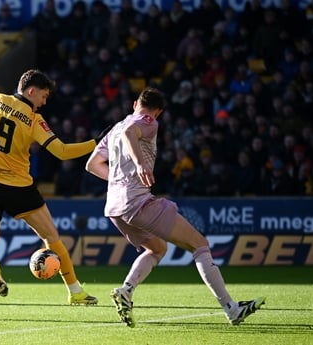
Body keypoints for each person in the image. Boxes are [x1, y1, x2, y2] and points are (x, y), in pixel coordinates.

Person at [84, 87, 265, 327]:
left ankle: (126, 290)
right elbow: (131, 131)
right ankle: (232, 309)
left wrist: (119, 181)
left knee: (157, 249)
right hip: (137, 202)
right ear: (158, 112)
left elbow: (92, 164)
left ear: (134, 103)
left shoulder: (115, 127)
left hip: (115, 207)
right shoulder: (146, 121)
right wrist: (139, 165)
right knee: (199, 244)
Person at [0, 69, 106, 305]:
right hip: (20, 188)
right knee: (52, 239)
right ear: (31, 91)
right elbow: (62, 152)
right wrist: (96, 143)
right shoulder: (34, 120)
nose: (43, 103)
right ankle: (75, 291)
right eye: (43, 96)